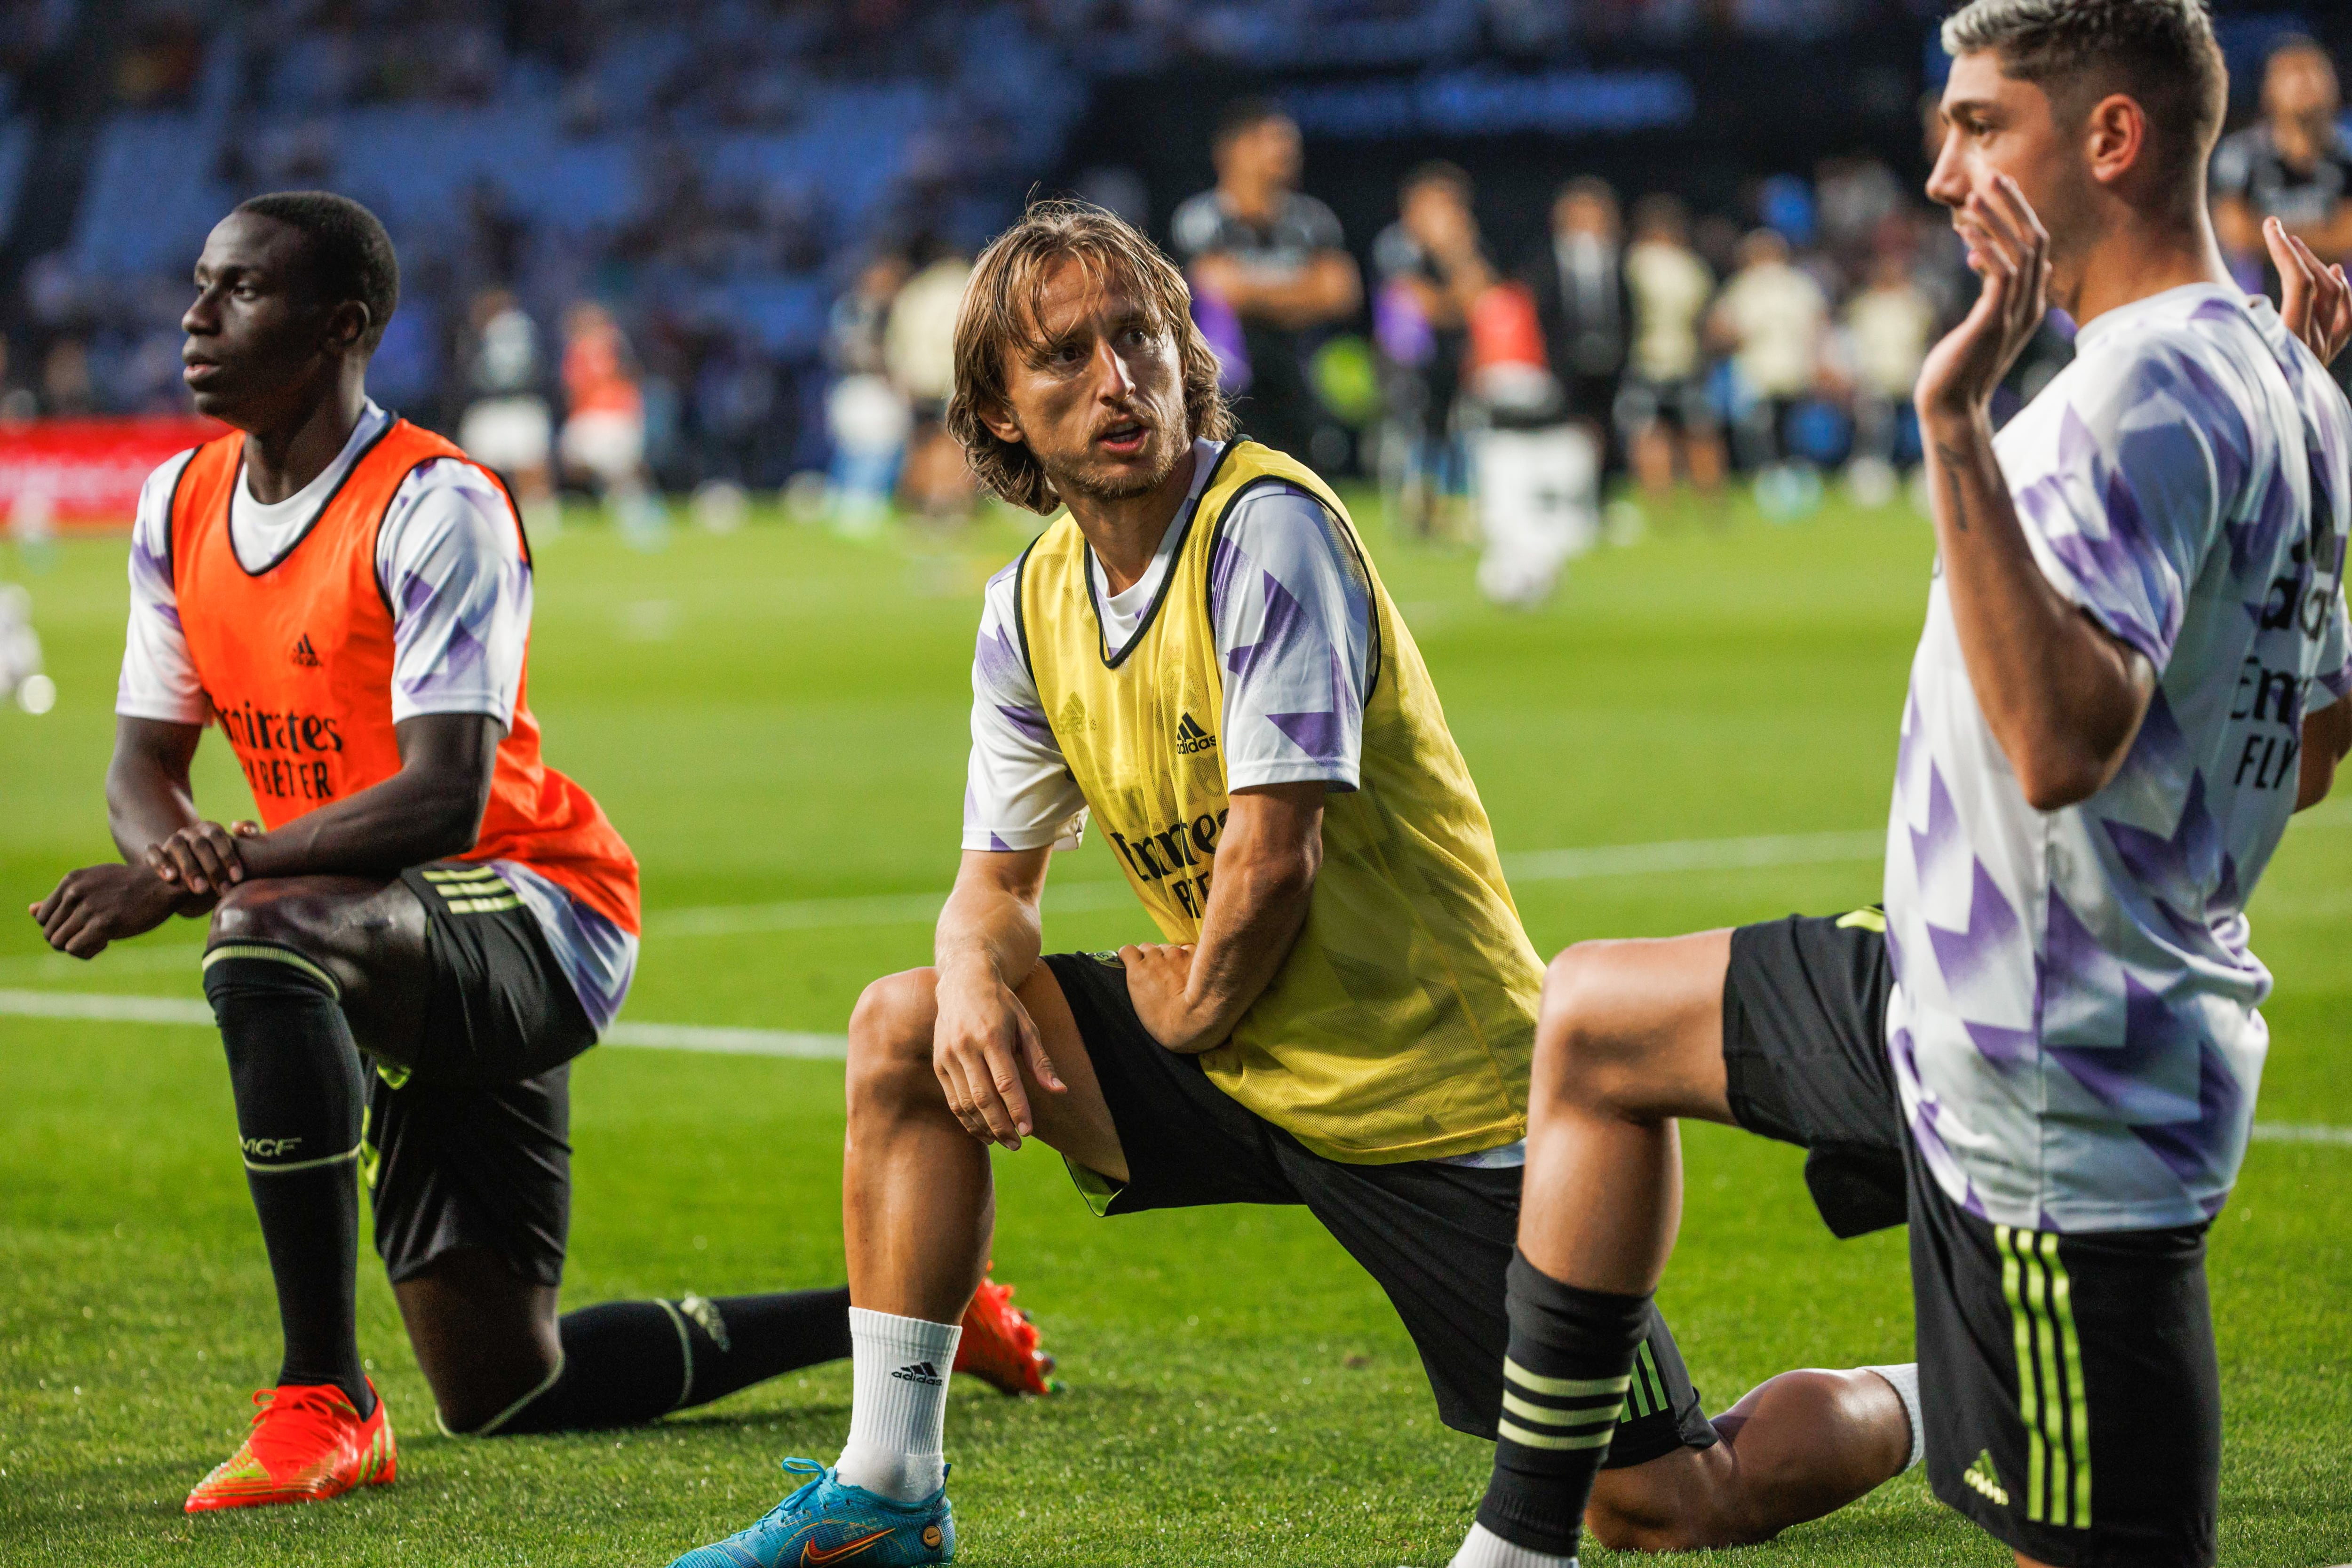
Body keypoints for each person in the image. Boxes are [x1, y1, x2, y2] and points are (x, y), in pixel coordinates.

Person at [665, 200, 1919, 1568]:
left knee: (1663, 1501)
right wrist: (973, 971)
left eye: (1136, 337)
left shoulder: (1266, 531)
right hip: (1244, 1049)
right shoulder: (1028, 606)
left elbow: (1271, 862)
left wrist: (1185, 1018)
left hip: (1438, 1099)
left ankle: (1954, 1396)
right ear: (999, 413)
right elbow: (992, 883)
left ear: (1182, 352)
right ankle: (887, 1491)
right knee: (906, 1026)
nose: (1115, 381)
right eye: (1064, 358)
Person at [1440, 2, 2352, 1565]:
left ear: (2111, 140)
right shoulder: (2293, 388)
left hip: (2058, 1104)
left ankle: (1978, 1395)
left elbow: (2061, 744)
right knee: (1593, 1017)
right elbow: (2311, 752)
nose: (1940, 171)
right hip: (1945, 997)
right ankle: (1515, 1548)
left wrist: (1951, 427)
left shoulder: (2140, 402)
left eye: (1981, 124)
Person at [26, 192, 1054, 1515]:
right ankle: (922, 1307)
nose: (193, 315)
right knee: (510, 1386)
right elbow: (139, 765)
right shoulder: (177, 502)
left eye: (238, 291)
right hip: (379, 927)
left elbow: (446, 795)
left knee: (266, 929)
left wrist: (223, 873)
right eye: (200, 283)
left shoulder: (434, 504)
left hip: (533, 907)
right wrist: (184, 862)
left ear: (342, 327)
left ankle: (322, 1396)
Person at [1171, 99, 1361, 467]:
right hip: (1225, 385)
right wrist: (1303, 294)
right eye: (1272, 140)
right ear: (1235, 150)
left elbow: (1341, 293)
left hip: (1301, 379)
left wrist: (1255, 295)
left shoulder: (1313, 220)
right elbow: (1218, 289)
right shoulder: (1200, 219)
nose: (1288, 151)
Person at [1371, 160, 1492, 539]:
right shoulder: (1396, 245)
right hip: (1407, 363)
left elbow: (1483, 297)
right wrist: (1454, 301)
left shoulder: (1462, 246)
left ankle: (1452, 513)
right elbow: (1419, 303)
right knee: (1413, 434)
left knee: (1459, 432)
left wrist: (1456, 252)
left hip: (1454, 359)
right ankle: (1415, 516)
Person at [2212, 36, 2352, 300]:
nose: (2304, 81)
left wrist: (2270, 236)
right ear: (2268, 89)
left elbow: (2349, 237)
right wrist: (2327, 234)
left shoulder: (2348, 153)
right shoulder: (2239, 155)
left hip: (2341, 310)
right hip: (2260, 309)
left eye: (2313, 70)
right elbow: (2235, 235)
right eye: (2290, 73)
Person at [1616, 194, 1726, 501]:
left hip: (1644, 359)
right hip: (1687, 360)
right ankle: (1711, 497)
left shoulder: (1633, 263)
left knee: (1648, 433)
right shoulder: (1690, 266)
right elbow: (1708, 319)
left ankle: (1660, 500)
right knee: (1700, 430)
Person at [1709, 228, 1830, 481]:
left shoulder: (1744, 285)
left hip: (1758, 372)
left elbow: (1722, 329)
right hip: (1792, 369)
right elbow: (1819, 324)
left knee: (1762, 429)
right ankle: (1791, 472)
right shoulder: (1798, 284)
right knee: (1787, 428)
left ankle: (1770, 474)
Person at [558, 299, 665, 546]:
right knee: (580, 461)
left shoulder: (615, 344)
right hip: (590, 416)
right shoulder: (579, 349)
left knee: (622, 468)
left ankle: (644, 512)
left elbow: (631, 376)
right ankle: (620, 503)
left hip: (615, 414)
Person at [457, 289, 560, 537]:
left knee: (523, 464)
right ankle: (538, 516)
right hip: (518, 402)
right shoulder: (527, 325)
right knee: (522, 462)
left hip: (502, 402)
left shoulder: (495, 328)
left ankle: (520, 514)